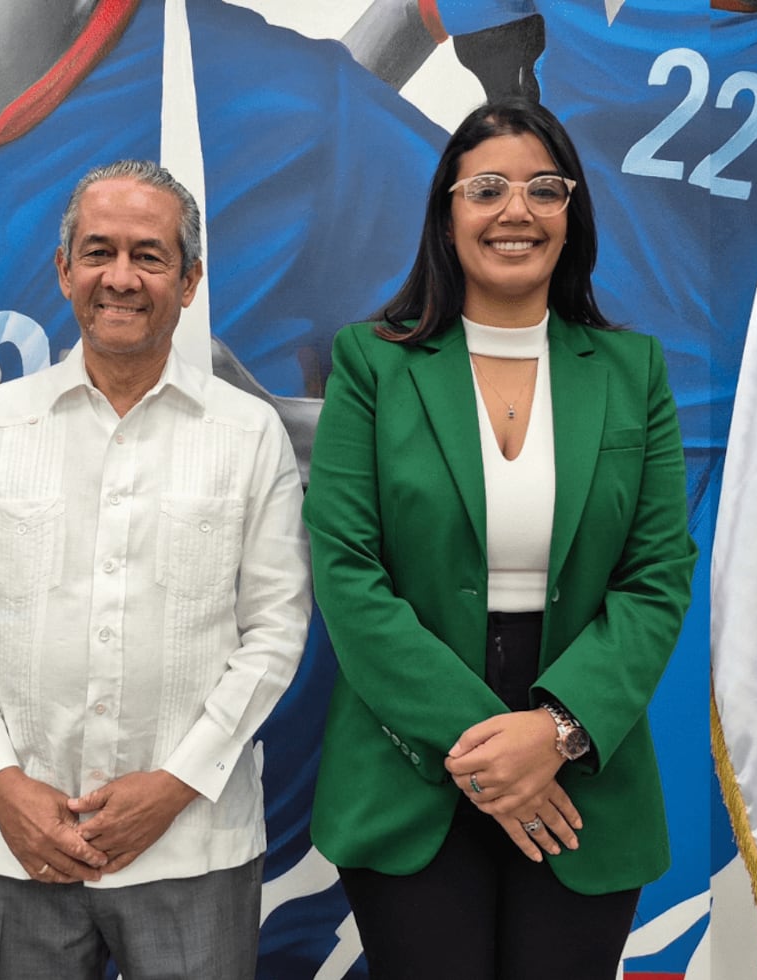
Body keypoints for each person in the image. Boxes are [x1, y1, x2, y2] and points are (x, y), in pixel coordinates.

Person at [303, 99, 697, 978]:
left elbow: (659, 573)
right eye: (487, 188)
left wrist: (554, 732)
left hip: (583, 758)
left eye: (543, 189)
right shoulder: (373, 362)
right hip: (410, 750)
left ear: (572, 214)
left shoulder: (633, 372)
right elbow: (347, 572)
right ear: (448, 213)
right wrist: (495, 746)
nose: (516, 211)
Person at [0, 159, 310, 978]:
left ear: (192, 278)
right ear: (64, 269)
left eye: (150, 255)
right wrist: (3, 785)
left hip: (193, 849)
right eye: (98, 252)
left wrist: (174, 785)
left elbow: (276, 631)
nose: (121, 278)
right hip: (14, 846)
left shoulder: (248, 434)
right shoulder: (3, 428)